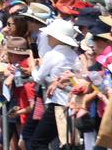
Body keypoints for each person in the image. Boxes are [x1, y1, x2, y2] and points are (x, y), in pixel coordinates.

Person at [29, 19, 79, 150]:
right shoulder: (73, 54)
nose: (48, 38)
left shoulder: (53, 54)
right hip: (69, 103)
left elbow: (38, 77)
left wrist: (32, 67)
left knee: (37, 142)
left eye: (50, 36)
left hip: (57, 104)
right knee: (68, 143)